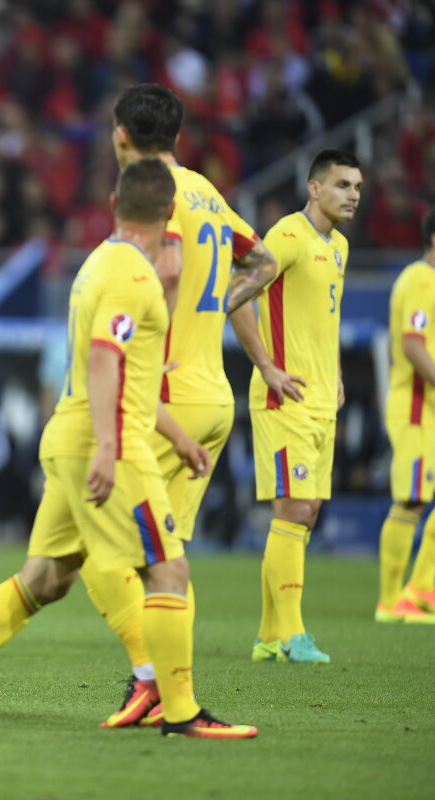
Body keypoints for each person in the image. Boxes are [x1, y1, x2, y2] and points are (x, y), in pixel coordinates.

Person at [0, 158, 258, 739]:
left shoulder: (99, 260)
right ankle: (180, 712)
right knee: (167, 568)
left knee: (47, 577)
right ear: (168, 214)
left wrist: (174, 434)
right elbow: (107, 359)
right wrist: (108, 447)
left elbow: (129, 370)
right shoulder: (134, 276)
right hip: (109, 441)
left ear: (114, 202)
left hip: (71, 434)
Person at [81, 83, 280, 729]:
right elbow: (266, 261)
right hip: (213, 396)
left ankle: (155, 683)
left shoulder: (156, 202)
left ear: (120, 136)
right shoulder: (209, 194)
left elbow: (161, 277)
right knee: (164, 561)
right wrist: (219, 306)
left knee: (95, 551)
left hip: (161, 398)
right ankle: (170, 692)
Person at [229, 148, 363, 663]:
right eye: (341, 185)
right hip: (284, 399)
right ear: (313, 188)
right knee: (295, 509)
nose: (352, 195)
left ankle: (268, 636)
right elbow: (236, 291)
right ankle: (292, 634)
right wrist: (266, 366)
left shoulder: (340, 248)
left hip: (322, 399)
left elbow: (320, 319)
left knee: (304, 516)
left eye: (356, 187)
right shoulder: (287, 236)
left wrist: (337, 375)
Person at [374, 209, 435, 624]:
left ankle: (419, 591)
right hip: (415, 407)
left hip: (426, 407)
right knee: (412, 500)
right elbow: (414, 346)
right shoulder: (420, 279)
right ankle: (393, 599)